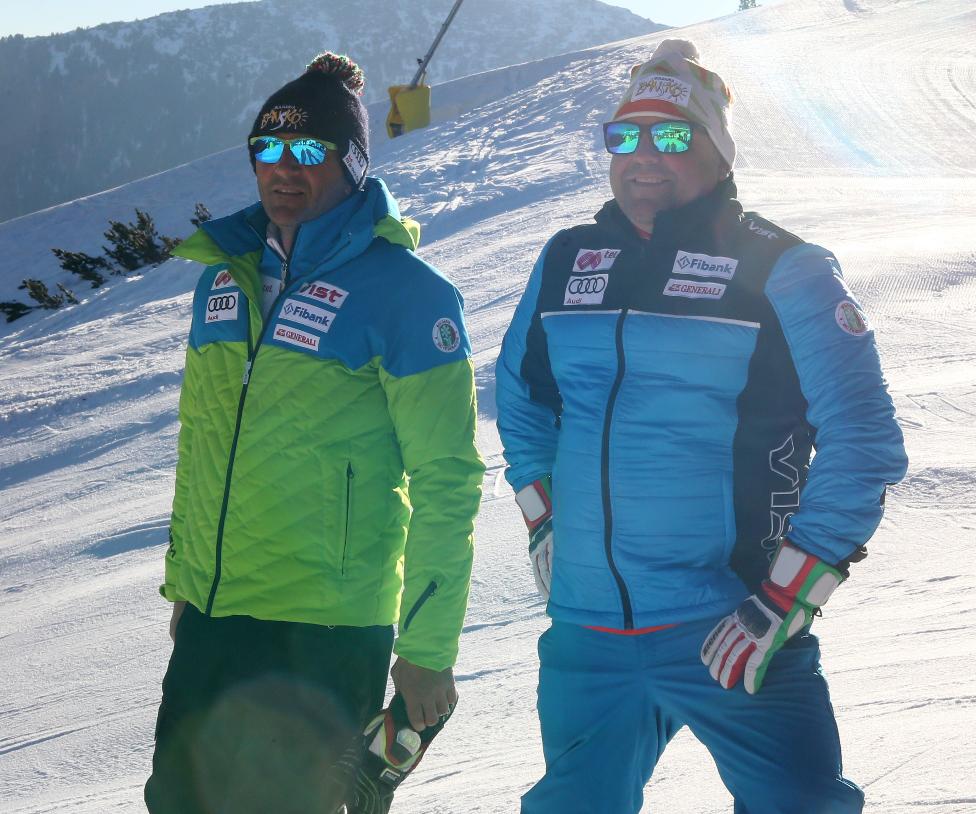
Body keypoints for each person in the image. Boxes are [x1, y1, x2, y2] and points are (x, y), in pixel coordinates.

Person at [495, 39, 908, 814]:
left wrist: (785, 597)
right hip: (587, 637)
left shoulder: (784, 269)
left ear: (719, 153)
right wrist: (546, 516)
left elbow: (864, 442)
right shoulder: (566, 259)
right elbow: (521, 396)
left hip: (730, 621)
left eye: (673, 134)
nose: (644, 154)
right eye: (625, 134)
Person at [145, 52, 484, 814]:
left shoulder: (408, 295)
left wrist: (428, 650)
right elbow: (202, 447)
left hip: (323, 632)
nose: (283, 167)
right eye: (267, 148)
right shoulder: (223, 280)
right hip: (212, 621)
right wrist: (190, 583)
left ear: (354, 163)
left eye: (308, 149)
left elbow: (448, 478)